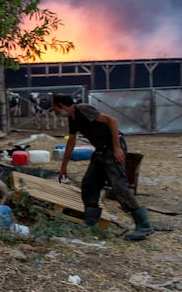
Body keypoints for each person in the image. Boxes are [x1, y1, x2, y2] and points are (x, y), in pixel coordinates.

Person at [51, 94, 153, 241]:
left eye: (54, 106)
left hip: (112, 148)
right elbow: (71, 141)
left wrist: (117, 148)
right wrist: (63, 167)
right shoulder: (72, 118)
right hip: (100, 150)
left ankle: (144, 225)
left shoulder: (82, 109)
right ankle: (91, 221)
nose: (53, 110)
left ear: (61, 105)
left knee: (119, 187)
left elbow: (112, 121)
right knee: (89, 183)